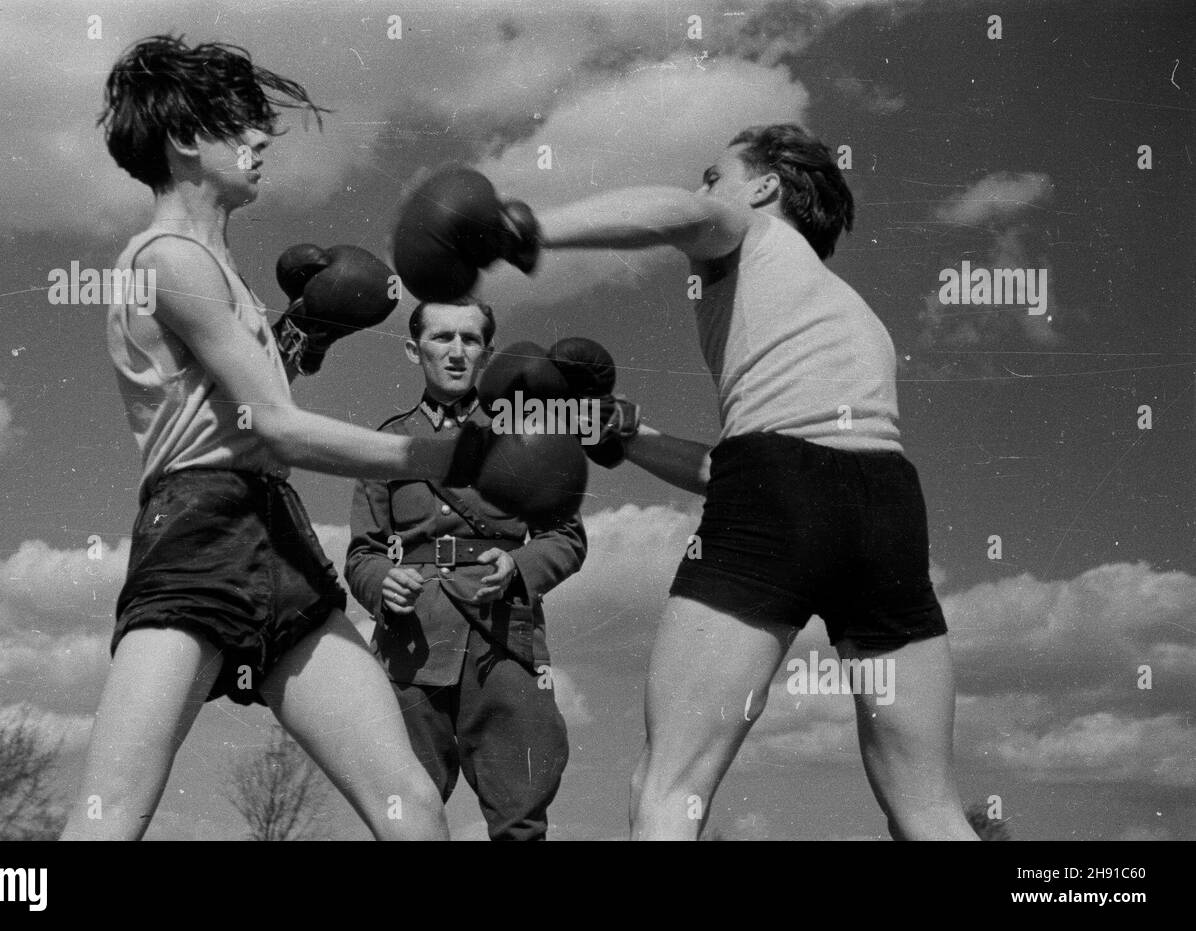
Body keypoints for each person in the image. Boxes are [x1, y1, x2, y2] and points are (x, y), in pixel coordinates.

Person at [391, 123, 976, 840]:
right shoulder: (849, 319)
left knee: (670, 783)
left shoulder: (754, 233)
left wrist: (526, 230)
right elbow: (734, 469)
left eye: (714, 175)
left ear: (763, 187)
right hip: (888, 507)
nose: (704, 191)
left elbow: (686, 217)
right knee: (929, 806)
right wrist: (622, 435)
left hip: (776, 491)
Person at [64, 35, 580, 841]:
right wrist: (459, 455)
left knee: (407, 797)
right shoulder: (166, 260)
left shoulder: (216, 265)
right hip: (198, 533)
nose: (262, 140)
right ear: (187, 139)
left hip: (278, 535)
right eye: (240, 124)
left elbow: (244, 408)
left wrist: (303, 334)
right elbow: (274, 425)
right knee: (108, 819)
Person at [345, 299, 585, 841]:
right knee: (404, 814)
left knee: (521, 817)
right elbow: (362, 554)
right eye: (441, 337)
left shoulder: (527, 434)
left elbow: (565, 536)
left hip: (502, 638)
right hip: (412, 645)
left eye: (471, 340)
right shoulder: (387, 443)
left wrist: (519, 564)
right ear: (414, 349)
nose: (456, 352)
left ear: (489, 352)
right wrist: (384, 581)